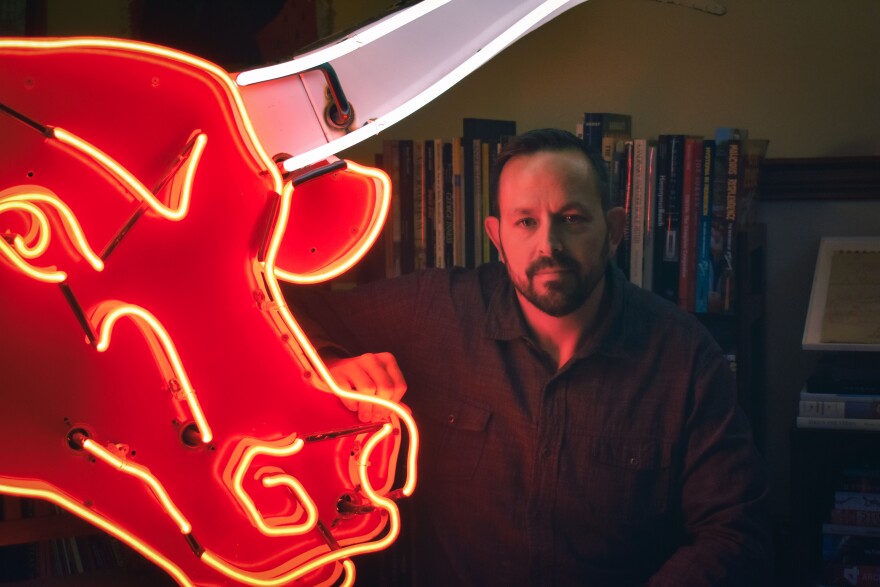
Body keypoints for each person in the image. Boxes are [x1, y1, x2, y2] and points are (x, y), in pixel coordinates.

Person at [284, 128, 773, 586]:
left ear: (615, 229)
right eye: (526, 222)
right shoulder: (434, 312)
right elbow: (284, 305)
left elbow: (735, 533)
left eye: (572, 219)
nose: (548, 245)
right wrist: (327, 363)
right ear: (497, 238)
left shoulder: (684, 357)